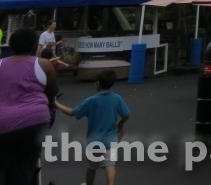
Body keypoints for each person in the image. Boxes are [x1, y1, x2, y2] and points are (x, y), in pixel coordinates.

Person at [0, 28, 59, 185]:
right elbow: (52, 91)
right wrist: (51, 104)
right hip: (35, 122)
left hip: (3, 124)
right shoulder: (44, 65)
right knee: (25, 166)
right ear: (34, 45)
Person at [56, 69, 130, 185]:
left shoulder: (91, 101)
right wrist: (120, 123)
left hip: (94, 141)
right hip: (111, 140)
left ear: (98, 84)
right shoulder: (117, 98)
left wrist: (56, 104)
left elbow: (72, 112)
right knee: (110, 165)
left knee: (92, 167)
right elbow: (127, 114)